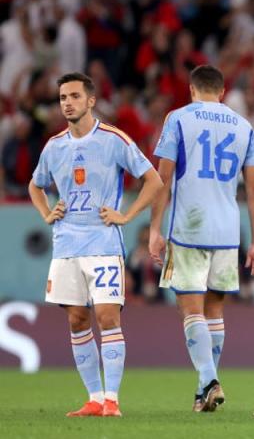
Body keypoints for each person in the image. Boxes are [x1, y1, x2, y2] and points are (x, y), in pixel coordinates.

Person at [28, 72, 162, 417]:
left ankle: (113, 401)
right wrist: (46, 211)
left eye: (74, 96)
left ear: (90, 101)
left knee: (106, 316)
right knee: (76, 320)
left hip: (102, 242)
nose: (67, 103)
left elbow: (153, 180)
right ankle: (94, 397)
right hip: (66, 244)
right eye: (62, 98)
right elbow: (35, 185)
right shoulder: (54, 146)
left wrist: (127, 215)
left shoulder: (113, 139)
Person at [149, 65, 254, 413]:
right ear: (223, 90)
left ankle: (209, 379)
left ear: (191, 90)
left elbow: (163, 176)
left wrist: (155, 229)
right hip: (228, 231)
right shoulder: (244, 126)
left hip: (189, 228)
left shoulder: (178, 119)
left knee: (190, 308)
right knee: (214, 310)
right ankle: (204, 390)